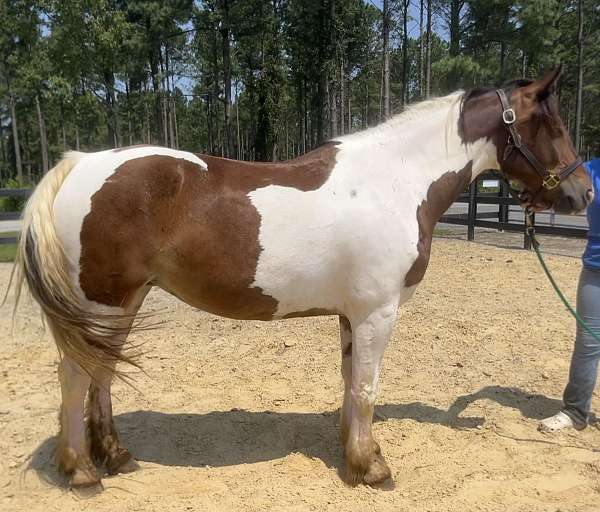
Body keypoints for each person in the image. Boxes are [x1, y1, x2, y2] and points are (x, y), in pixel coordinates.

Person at [539, 157, 600, 432]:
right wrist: (539, 201)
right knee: (588, 342)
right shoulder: (590, 170)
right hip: (595, 270)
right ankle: (576, 411)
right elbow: (563, 196)